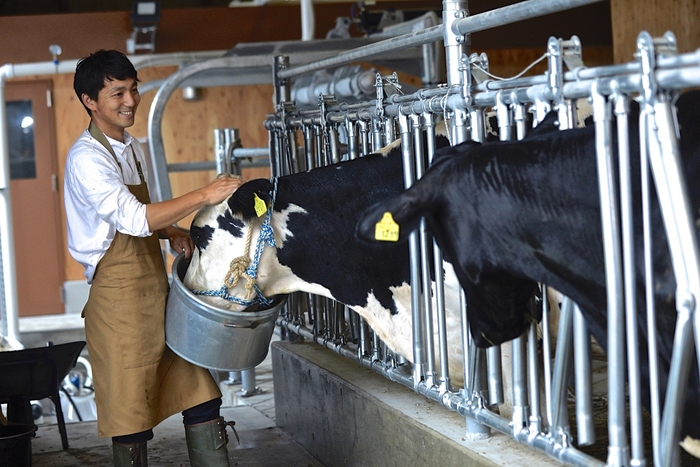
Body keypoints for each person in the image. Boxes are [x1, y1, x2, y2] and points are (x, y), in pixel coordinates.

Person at [64, 49, 243, 467]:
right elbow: (133, 217)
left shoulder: (133, 147)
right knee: (131, 419)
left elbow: (136, 217)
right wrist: (204, 194)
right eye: (117, 93)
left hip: (156, 293)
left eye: (133, 89)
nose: (130, 101)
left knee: (201, 395)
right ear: (90, 101)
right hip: (119, 304)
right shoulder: (86, 158)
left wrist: (172, 232)